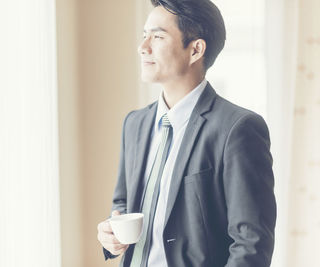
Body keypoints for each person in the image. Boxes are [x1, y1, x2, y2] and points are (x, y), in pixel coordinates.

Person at [97, 0, 277, 266]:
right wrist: (110, 235)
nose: (142, 47)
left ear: (195, 49)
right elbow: (122, 205)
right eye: (144, 35)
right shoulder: (134, 124)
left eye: (157, 36)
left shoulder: (238, 129)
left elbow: (252, 243)